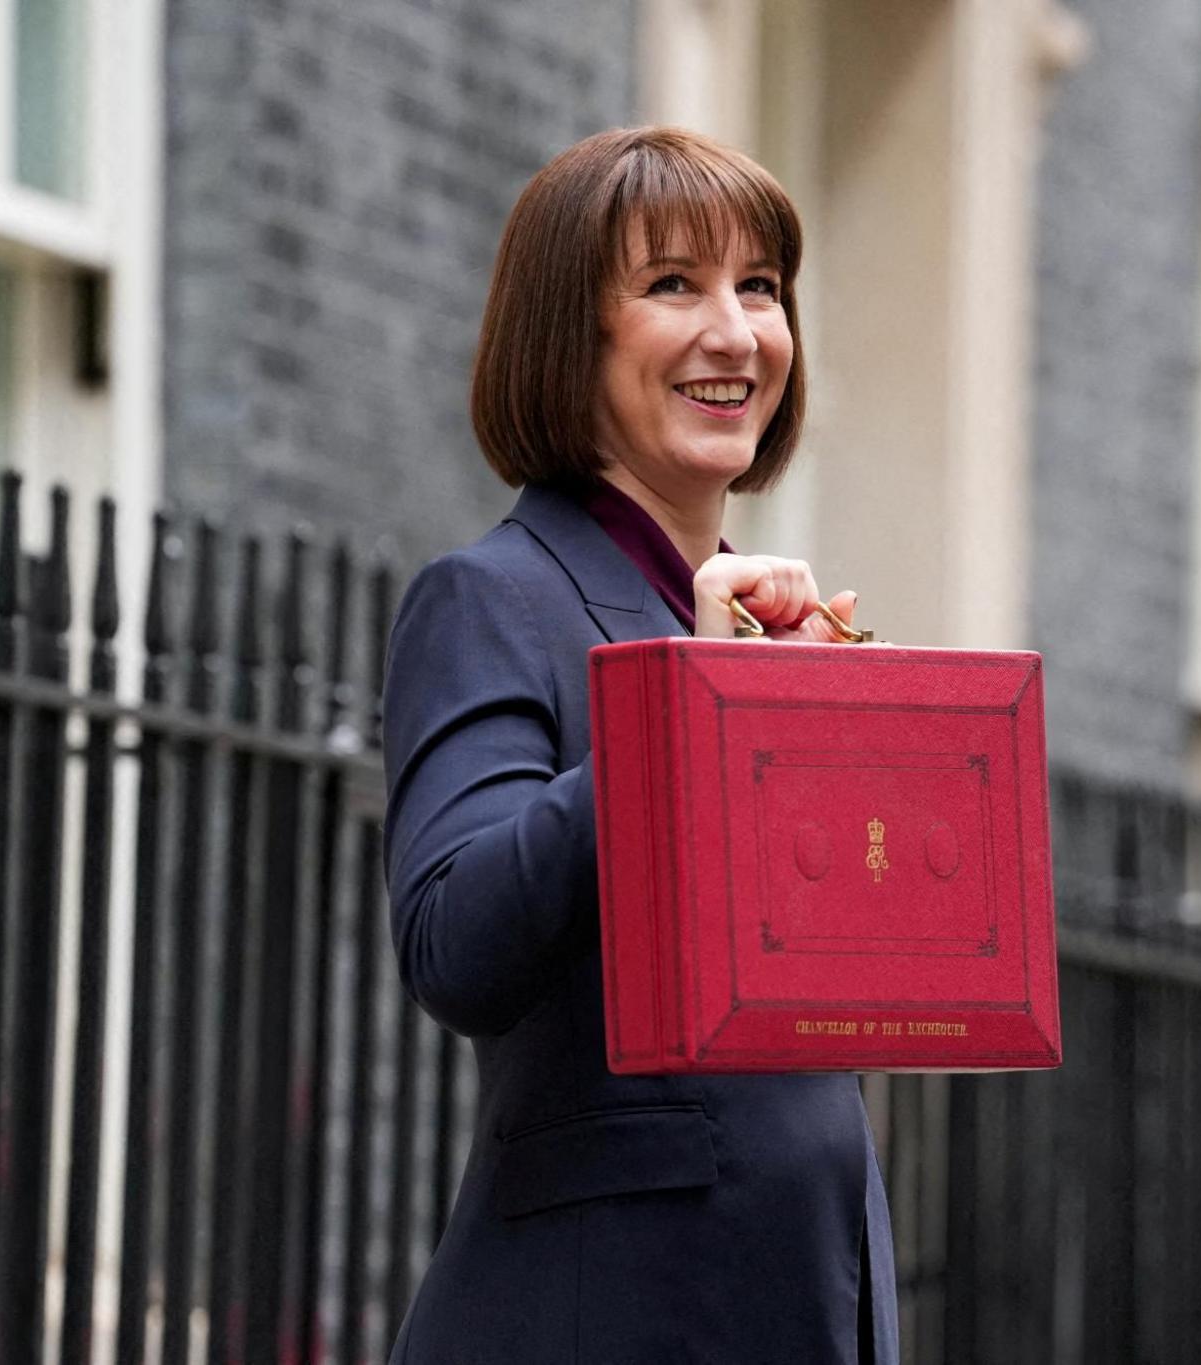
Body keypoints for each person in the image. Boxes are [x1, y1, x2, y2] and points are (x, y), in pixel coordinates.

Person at [380, 126, 900, 1364]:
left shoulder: (757, 629)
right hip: (607, 1312)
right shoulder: (491, 596)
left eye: (759, 287)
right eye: (673, 284)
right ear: (574, 334)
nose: (735, 333)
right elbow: (454, 943)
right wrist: (691, 709)